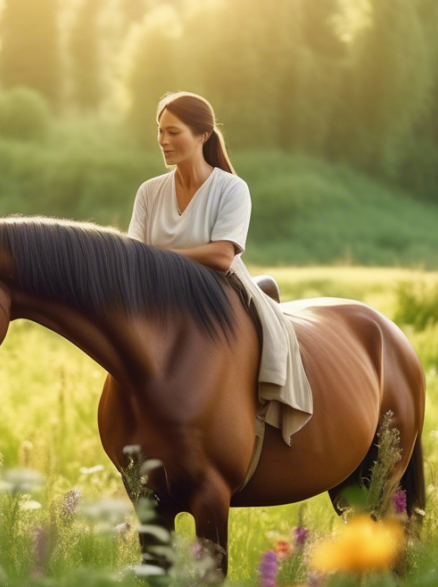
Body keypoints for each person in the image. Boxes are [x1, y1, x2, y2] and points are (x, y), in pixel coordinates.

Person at [126, 91, 313, 451]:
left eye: (173, 132)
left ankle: (258, 408)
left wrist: (157, 256)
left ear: (203, 136)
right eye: (160, 131)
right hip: (157, 299)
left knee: (263, 337)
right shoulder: (149, 192)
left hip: (217, 294)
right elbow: (133, 255)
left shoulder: (231, 189)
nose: (163, 141)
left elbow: (223, 255)